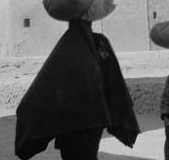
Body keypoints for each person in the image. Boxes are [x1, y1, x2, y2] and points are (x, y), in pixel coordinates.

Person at [14, 19, 140, 160]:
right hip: (91, 120)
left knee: (74, 154)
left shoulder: (66, 46)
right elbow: (113, 80)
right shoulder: (99, 43)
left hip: (73, 122)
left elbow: (45, 85)